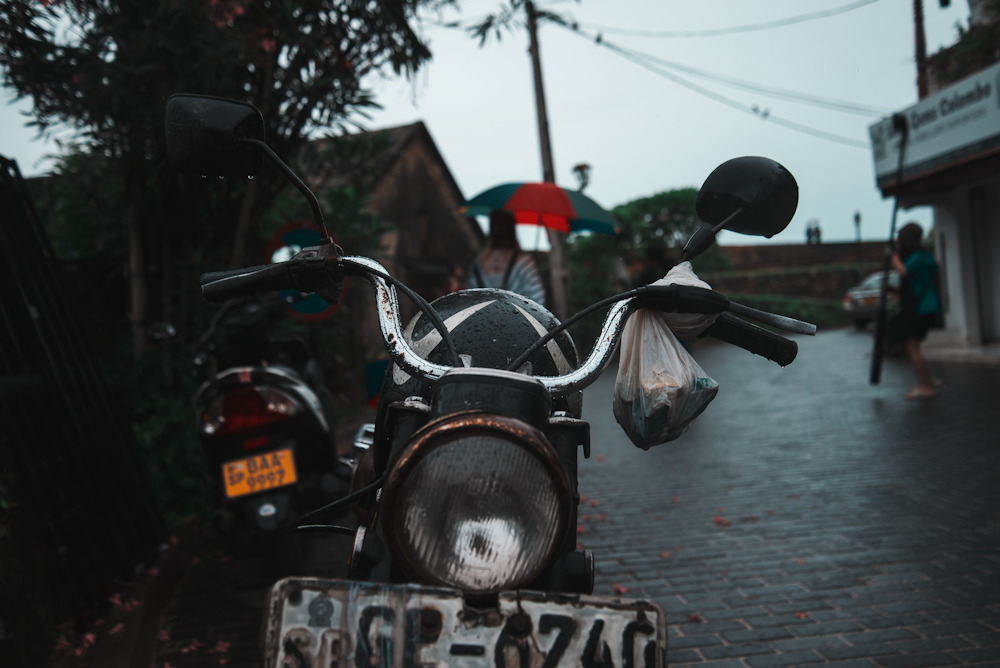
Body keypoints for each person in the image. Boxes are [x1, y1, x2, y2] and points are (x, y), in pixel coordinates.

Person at [888, 222, 941, 400]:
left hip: (921, 308)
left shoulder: (917, 257)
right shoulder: (926, 255)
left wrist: (893, 258)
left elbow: (904, 271)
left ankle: (925, 387)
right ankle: (928, 380)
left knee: (912, 348)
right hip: (926, 306)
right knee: (914, 347)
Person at [467, 209, 547, 306]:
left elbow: (469, 300)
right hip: (519, 320)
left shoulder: (477, 264)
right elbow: (537, 302)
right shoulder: (524, 263)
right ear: (512, 228)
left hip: (482, 320)